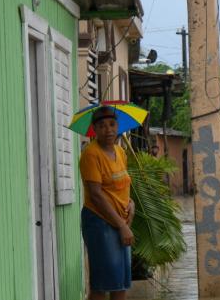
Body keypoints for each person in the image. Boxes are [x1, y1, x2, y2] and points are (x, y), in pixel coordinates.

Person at [79, 106, 135, 300]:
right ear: (94, 129)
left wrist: (131, 204)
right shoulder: (91, 154)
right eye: (102, 126)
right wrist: (121, 226)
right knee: (102, 285)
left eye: (112, 124)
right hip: (100, 222)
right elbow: (96, 194)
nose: (108, 130)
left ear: (118, 126)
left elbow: (121, 185)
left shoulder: (120, 152)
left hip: (121, 222)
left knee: (120, 283)